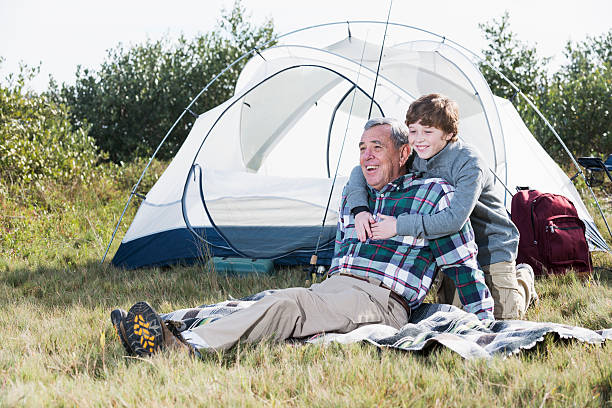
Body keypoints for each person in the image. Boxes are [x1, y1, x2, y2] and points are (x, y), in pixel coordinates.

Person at [111, 117, 493, 357]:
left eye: (378, 147)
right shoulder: (356, 195)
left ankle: (184, 349)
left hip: (382, 301)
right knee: (271, 300)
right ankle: (160, 327)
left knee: (288, 305)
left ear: (405, 152)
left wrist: (485, 323)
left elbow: (461, 264)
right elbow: (344, 249)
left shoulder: (431, 195)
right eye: (362, 148)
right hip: (335, 287)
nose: (367, 156)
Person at [345, 94, 537, 320]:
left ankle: (523, 281)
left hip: (490, 246)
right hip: (451, 246)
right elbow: (360, 171)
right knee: (459, 317)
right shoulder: (415, 156)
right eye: (413, 131)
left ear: (448, 133)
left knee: (504, 318)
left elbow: (454, 218)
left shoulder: (468, 162)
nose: (418, 140)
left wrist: (398, 225)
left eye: (428, 132)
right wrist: (360, 211)